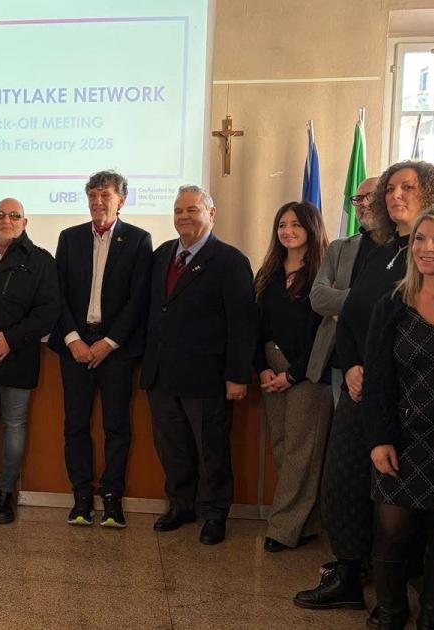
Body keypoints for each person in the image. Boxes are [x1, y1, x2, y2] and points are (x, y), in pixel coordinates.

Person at [296, 161, 434, 610]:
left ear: (432, 193)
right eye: (390, 188)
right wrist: (350, 366)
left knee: (394, 497)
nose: (395, 195)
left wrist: (377, 370)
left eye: (409, 187)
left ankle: (397, 592)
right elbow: (350, 317)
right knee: (343, 481)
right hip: (359, 388)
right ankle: (348, 573)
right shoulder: (381, 248)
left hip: (406, 397)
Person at [363, 204, 434, 629]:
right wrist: (379, 440)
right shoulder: (393, 304)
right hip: (401, 439)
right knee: (390, 533)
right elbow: (377, 380)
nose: (427, 248)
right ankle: (391, 613)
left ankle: (432, 616)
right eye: (420, 239)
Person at [142, 184, 256, 545]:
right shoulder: (162, 255)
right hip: (162, 374)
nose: (184, 217)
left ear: (211, 214)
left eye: (192, 209)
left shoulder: (230, 261)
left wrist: (237, 375)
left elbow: (242, 324)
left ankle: (214, 513)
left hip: (207, 376)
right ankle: (180, 506)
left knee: (211, 450)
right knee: (172, 447)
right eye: (179, 211)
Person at [50, 170, 152, 528]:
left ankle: (112, 499)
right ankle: (81, 498)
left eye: (105, 195)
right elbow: (58, 294)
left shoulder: (138, 240)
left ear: (121, 200)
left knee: (116, 427)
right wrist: (73, 339)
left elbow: (139, 299)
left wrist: (108, 343)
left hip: (116, 351)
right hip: (75, 347)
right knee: (75, 425)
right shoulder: (70, 238)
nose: (97, 201)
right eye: (92, 195)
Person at [0, 198, 60, 525]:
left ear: (25, 222)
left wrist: (11, 339)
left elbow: (48, 311)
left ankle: (6, 494)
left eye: (15, 215)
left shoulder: (41, 260)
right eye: (1, 215)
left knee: (15, 426)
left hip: (19, 355)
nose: (7, 220)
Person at [253, 201, 332, 553]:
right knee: (283, 446)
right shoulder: (268, 271)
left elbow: (324, 333)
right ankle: (307, 522)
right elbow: (254, 324)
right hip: (271, 367)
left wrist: (294, 373)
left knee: (302, 448)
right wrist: (262, 367)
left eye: (296, 225)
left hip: (308, 372)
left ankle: (282, 528)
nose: (288, 231)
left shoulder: (324, 273)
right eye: (282, 225)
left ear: (311, 229)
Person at [307, 177, 380, 399]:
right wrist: (363, 301)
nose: (364, 203)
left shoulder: (401, 248)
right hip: (340, 359)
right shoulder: (339, 248)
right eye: (358, 198)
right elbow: (318, 297)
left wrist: (342, 306)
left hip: (379, 357)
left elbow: (387, 300)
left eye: (371, 196)